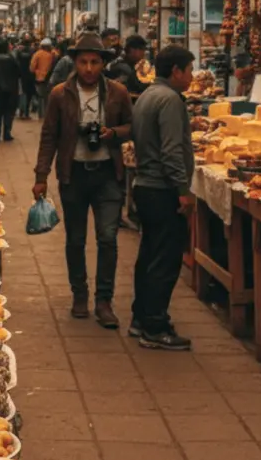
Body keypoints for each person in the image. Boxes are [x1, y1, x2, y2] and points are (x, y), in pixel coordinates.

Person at [33, 33, 132, 326]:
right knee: (75, 240)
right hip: (72, 175)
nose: (89, 68)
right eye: (84, 62)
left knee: (108, 239)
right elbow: (49, 135)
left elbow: (132, 126)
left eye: (95, 62)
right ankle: (79, 294)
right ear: (75, 62)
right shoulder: (60, 94)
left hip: (107, 176)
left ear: (103, 63)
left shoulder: (118, 92)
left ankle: (104, 301)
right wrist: (41, 176)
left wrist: (113, 133)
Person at [130, 44, 196, 351]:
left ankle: (141, 318)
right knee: (165, 260)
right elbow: (171, 152)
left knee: (149, 256)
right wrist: (182, 191)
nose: (192, 77)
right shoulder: (169, 100)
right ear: (176, 71)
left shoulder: (148, 95)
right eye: (190, 70)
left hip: (146, 186)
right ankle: (155, 328)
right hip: (161, 189)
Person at [30, 38, 54, 119]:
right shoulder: (53, 54)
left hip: (39, 78)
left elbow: (32, 68)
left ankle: (41, 115)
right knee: (49, 97)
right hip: (51, 79)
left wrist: (36, 71)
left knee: (41, 97)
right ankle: (48, 114)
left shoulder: (37, 54)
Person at [15, 35, 36, 119]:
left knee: (21, 94)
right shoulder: (33, 51)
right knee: (29, 94)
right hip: (30, 75)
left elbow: (16, 63)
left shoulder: (19, 52)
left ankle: (21, 111)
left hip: (21, 75)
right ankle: (26, 113)